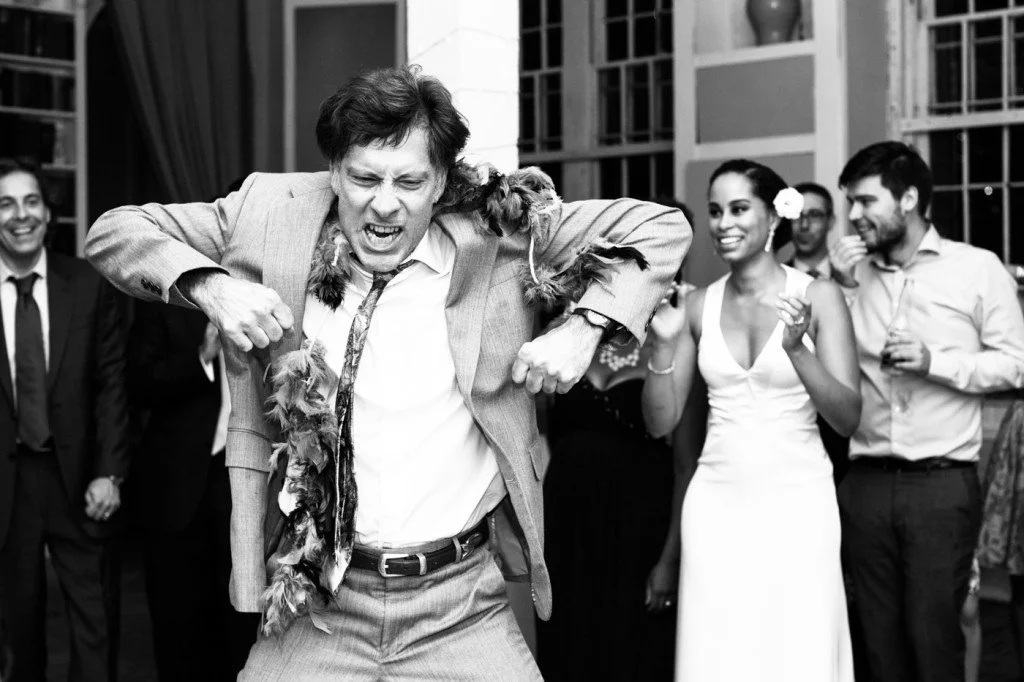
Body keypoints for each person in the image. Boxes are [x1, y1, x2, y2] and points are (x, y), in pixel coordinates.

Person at [84, 65, 690, 679]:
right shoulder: (268, 213)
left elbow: (662, 228)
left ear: (442, 181)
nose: (384, 202)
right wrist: (212, 288)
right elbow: (113, 233)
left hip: (459, 608)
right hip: (319, 604)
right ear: (334, 172)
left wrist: (585, 327)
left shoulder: (503, 231)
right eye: (364, 178)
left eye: (409, 181)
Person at [642, 158, 860, 681]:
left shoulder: (819, 296)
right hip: (716, 504)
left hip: (800, 502)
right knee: (720, 656)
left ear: (774, 217)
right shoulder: (698, 305)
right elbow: (659, 423)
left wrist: (797, 350)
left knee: (797, 654)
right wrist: (663, 347)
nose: (723, 224)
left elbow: (848, 418)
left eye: (739, 209)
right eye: (716, 211)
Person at [829, 140, 1024, 682]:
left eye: (866, 201)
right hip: (864, 483)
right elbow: (828, 371)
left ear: (909, 198)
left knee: (934, 641)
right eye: (850, 202)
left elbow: (1016, 364)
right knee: (876, 645)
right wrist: (840, 291)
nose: (853, 215)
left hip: (940, 486)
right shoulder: (849, 277)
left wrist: (936, 362)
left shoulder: (976, 268)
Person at [536, 198, 694, 681]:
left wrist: (670, 559)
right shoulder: (567, 326)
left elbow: (679, 451)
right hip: (567, 511)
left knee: (631, 645)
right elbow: (536, 428)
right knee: (570, 640)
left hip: (641, 515)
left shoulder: (675, 330)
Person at [0, 157, 130, 681]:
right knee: (18, 632)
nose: (21, 215)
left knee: (93, 625)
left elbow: (111, 385)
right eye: (6, 204)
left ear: (48, 213)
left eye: (31, 201)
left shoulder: (87, 284)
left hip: (77, 479)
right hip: (8, 486)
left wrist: (110, 473)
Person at [127, 301, 260, 681]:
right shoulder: (164, 299)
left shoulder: (264, 293)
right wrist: (202, 356)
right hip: (179, 483)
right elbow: (138, 380)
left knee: (243, 620)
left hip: (250, 479)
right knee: (179, 619)